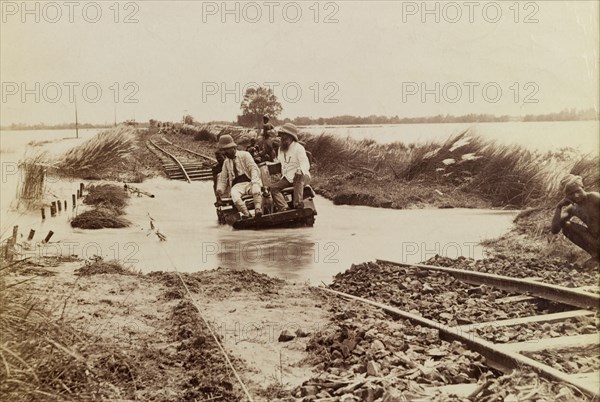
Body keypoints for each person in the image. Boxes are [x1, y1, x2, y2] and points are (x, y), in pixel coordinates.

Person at [551, 174, 599, 266]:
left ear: (583, 187)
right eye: (571, 194)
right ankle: (596, 256)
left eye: (578, 191)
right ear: (566, 196)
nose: (576, 196)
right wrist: (559, 207)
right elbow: (555, 230)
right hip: (595, 241)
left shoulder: (594, 197)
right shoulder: (572, 208)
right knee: (566, 226)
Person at [215, 135, 264, 218]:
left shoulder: (245, 155)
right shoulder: (226, 162)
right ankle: (246, 214)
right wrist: (220, 189)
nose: (224, 153)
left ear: (233, 148)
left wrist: (255, 181)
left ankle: (258, 210)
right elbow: (223, 178)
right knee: (234, 195)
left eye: (226, 150)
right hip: (237, 185)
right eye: (223, 150)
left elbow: (253, 168)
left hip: (249, 182)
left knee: (256, 189)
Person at [269, 123, 311, 212]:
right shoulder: (281, 149)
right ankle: (284, 208)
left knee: (298, 177)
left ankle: (298, 204)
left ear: (291, 136)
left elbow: (305, 162)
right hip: (287, 178)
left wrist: (300, 170)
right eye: (281, 135)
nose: (282, 137)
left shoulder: (298, 148)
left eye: (285, 135)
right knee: (272, 188)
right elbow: (280, 162)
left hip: (301, 176)